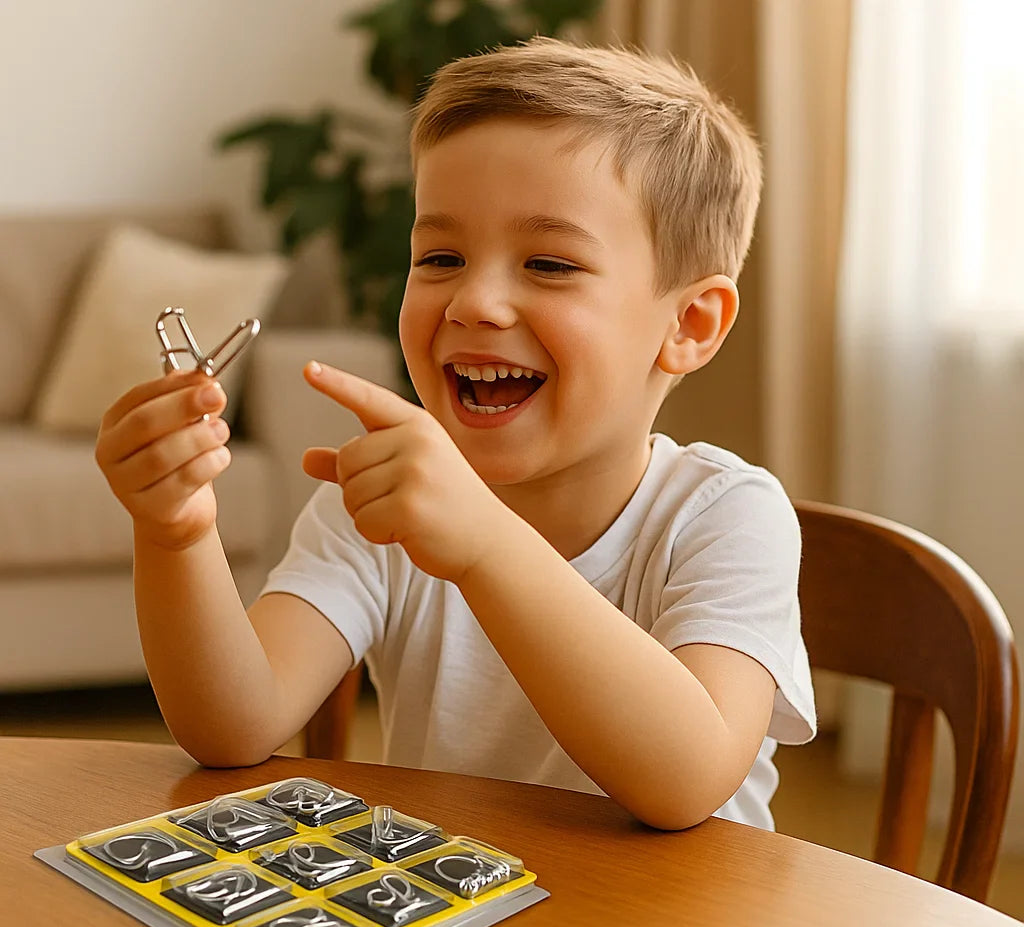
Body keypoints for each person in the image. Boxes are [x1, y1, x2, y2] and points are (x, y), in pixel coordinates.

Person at [95, 37, 815, 832]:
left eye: (548, 264)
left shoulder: (727, 516)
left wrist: (485, 545)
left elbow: (688, 779)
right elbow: (233, 726)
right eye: (440, 255)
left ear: (688, 324)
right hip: (459, 925)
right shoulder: (376, 506)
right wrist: (176, 534)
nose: (474, 301)